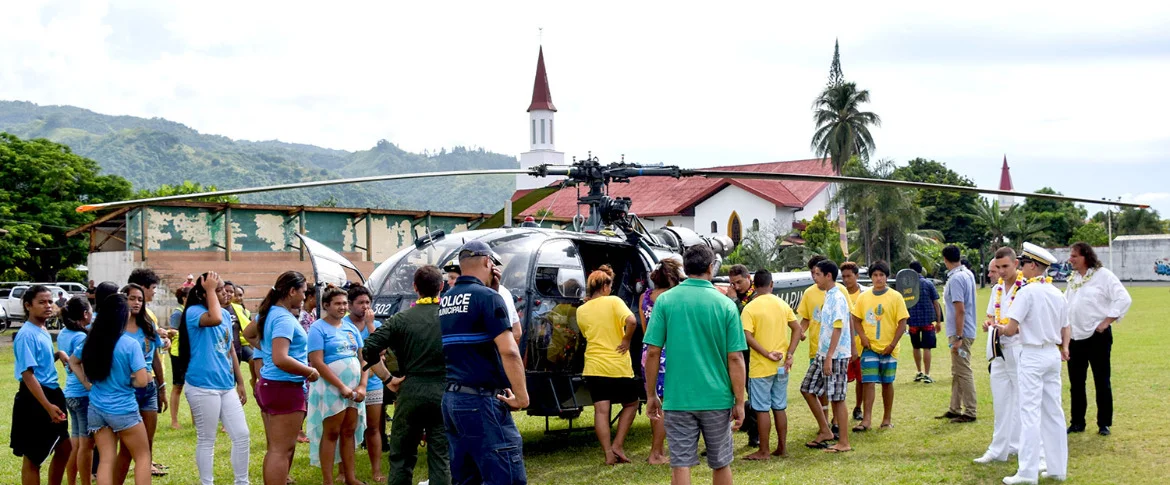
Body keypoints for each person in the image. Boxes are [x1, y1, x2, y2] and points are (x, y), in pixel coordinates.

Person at [644, 245, 747, 485]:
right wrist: (740, 401)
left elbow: (652, 352)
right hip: (717, 398)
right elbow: (735, 358)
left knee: (680, 464)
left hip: (678, 398)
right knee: (721, 463)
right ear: (711, 268)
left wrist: (651, 395)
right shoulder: (725, 305)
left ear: (686, 269)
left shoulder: (666, 301)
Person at [439, 241, 529, 484]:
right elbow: (509, 351)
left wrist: (494, 291)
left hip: (452, 400)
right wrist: (522, 397)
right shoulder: (488, 297)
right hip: (481, 401)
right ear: (489, 262)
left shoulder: (446, 299)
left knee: (468, 477)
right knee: (507, 476)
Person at [363, 265, 452, 485]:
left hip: (409, 390)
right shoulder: (451, 318)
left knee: (402, 457)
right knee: (441, 457)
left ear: (415, 287)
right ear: (442, 286)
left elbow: (369, 348)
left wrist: (387, 379)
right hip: (444, 391)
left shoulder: (401, 319)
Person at [997, 242, 1070, 484]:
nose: (1022, 269)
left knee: (1029, 412)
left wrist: (999, 328)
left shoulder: (1026, 292)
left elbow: (1011, 328)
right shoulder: (1057, 293)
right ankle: (1057, 468)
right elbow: (1065, 326)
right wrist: (1065, 347)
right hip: (1051, 354)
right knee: (1053, 411)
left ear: (1033, 266)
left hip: (1031, 353)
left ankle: (1027, 472)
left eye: (1025, 264)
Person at [180, 272, 251, 485]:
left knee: (242, 435)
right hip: (202, 386)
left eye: (224, 289)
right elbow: (215, 319)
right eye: (219, 290)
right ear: (204, 294)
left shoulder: (226, 315)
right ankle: (207, 483)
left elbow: (230, 350)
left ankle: (242, 482)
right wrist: (210, 288)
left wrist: (240, 383)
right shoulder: (195, 312)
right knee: (207, 440)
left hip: (226, 385)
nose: (226, 293)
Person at [75, 293, 153, 485]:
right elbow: (143, 381)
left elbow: (73, 361)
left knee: (106, 459)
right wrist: (131, 381)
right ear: (122, 314)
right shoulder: (129, 344)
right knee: (143, 457)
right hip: (123, 409)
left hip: (96, 407)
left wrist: (86, 384)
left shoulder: (92, 339)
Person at [256, 271, 319, 485]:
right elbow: (280, 358)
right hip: (283, 386)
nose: (304, 296)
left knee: (279, 448)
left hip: (274, 385)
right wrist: (309, 371)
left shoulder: (272, 312)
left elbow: (252, 336)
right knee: (280, 450)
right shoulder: (282, 318)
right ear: (292, 291)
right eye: (303, 292)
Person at [1065, 242, 1131, 436]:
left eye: (1075, 256)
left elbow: (1124, 298)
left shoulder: (1103, 275)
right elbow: (1065, 303)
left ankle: (1104, 423)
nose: (1071, 260)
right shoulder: (1073, 279)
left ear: (1086, 256)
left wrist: (1106, 322)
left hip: (1097, 337)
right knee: (1076, 383)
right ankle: (1077, 422)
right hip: (1075, 337)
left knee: (1101, 381)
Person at [578, 265, 640, 465]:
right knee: (631, 403)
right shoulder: (614, 301)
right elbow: (632, 321)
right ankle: (618, 445)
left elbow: (587, 334)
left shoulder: (581, 310)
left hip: (594, 366)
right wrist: (626, 341)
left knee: (601, 411)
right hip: (616, 364)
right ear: (605, 286)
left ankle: (607, 453)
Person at [11, 285, 73, 485]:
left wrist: (59, 354)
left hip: (52, 393)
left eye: (50, 301)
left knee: (65, 448)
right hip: (35, 398)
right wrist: (47, 406)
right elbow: (28, 375)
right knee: (33, 458)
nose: (48, 306)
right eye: (42, 302)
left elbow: (40, 363)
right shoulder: (26, 334)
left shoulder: (42, 328)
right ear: (28, 305)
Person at [307, 286, 367, 485]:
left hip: (354, 389)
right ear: (326, 306)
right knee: (331, 432)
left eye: (344, 303)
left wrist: (362, 386)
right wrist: (341, 386)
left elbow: (363, 358)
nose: (342, 307)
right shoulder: (318, 328)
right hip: (331, 387)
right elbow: (317, 361)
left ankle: (350, 477)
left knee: (348, 431)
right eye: (337, 304)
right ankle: (328, 481)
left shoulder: (351, 328)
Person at [793, 259, 855, 453]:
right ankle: (826, 431)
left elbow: (838, 328)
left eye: (818, 274)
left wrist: (829, 357)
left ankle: (843, 442)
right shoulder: (827, 294)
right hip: (822, 353)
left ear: (828, 276)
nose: (814, 277)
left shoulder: (837, 297)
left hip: (835, 356)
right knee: (807, 388)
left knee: (837, 398)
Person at [976, 248, 1030, 464]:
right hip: (998, 349)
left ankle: (1018, 445)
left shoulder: (1026, 288)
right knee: (1000, 400)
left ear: (1016, 264)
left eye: (1005, 266)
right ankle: (998, 448)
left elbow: (1029, 321)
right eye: (997, 267)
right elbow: (991, 315)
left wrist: (1010, 328)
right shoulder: (997, 288)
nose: (1001, 271)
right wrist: (988, 323)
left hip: (1019, 348)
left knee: (1022, 400)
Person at [741, 270, 800, 461]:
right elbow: (797, 329)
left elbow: (747, 336)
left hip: (761, 366)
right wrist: (790, 353)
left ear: (753, 285)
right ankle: (782, 447)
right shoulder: (782, 304)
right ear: (771, 285)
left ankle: (764, 450)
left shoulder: (750, 308)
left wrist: (766, 353)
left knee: (761, 408)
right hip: (782, 365)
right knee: (779, 406)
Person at [114, 284, 168, 482]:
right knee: (127, 448)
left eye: (139, 299)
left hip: (149, 389)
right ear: (123, 300)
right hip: (125, 391)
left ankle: (146, 471)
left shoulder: (147, 325)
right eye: (131, 298)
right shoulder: (115, 329)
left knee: (147, 441)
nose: (136, 303)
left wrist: (162, 388)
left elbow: (154, 357)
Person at [850, 261, 909, 432]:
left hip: (889, 349)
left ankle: (886, 419)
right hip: (869, 348)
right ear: (870, 277)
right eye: (875, 275)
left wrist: (892, 344)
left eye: (881, 275)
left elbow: (902, 322)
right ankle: (866, 420)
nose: (878, 278)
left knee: (886, 383)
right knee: (868, 382)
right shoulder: (864, 297)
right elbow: (856, 318)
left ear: (887, 277)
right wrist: (862, 337)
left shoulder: (896, 297)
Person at [640, 258, 681, 466]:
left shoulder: (645, 298)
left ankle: (658, 449)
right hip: (667, 352)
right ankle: (656, 452)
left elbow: (646, 330)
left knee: (652, 403)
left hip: (648, 353)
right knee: (666, 406)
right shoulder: (671, 298)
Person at [347, 285, 389, 483]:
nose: (365, 307)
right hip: (348, 384)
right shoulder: (343, 324)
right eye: (360, 303)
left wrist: (371, 325)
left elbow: (381, 351)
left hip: (372, 383)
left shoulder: (375, 326)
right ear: (349, 305)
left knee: (373, 428)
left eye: (367, 303)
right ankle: (344, 471)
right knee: (346, 429)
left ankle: (376, 470)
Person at [938, 245, 978, 423]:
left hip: (960, 332)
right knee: (957, 370)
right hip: (964, 330)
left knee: (963, 371)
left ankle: (970, 411)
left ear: (945, 259)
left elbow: (959, 309)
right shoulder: (967, 273)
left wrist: (959, 337)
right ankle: (955, 408)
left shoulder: (956, 279)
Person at [59, 297, 95, 485]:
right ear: (85, 314)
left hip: (70, 393)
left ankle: (72, 481)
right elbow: (84, 367)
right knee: (86, 445)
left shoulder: (64, 332)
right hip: (82, 394)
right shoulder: (81, 336)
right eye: (90, 310)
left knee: (76, 443)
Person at [723, 264, 759, 447]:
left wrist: (734, 301)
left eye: (738, 282)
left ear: (748, 278)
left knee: (752, 394)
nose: (736, 286)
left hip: (752, 352)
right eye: (732, 283)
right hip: (735, 351)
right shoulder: (734, 295)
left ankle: (755, 434)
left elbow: (743, 319)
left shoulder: (755, 296)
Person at [839, 262, 869, 421]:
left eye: (849, 276)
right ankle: (838, 414)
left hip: (861, 343)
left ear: (857, 276)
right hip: (842, 344)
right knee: (840, 380)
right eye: (843, 276)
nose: (846, 279)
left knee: (862, 379)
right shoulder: (839, 293)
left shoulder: (865, 294)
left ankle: (858, 407)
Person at [907, 261, 942, 384]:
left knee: (916, 346)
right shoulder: (928, 283)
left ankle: (919, 371)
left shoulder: (908, 286)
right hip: (927, 321)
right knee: (927, 347)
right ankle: (927, 374)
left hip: (912, 321)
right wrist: (938, 321)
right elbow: (936, 303)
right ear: (921, 270)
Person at [224, 281, 255, 387]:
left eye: (231, 292)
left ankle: (253, 381)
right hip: (221, 353)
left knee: (232, 383)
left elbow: (248, 329)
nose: (228, 294)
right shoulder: (213, 309)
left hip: (237, 350)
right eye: (226, 291)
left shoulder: (239, 309)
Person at [167, 286, 190, 430]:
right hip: (178, 353)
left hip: (189, 353)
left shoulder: (190, 312)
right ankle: (174, 421)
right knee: (178, 386)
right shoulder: (178, 313)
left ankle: (196, 420)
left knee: (193, 387)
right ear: (184, 298)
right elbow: (172, 332)